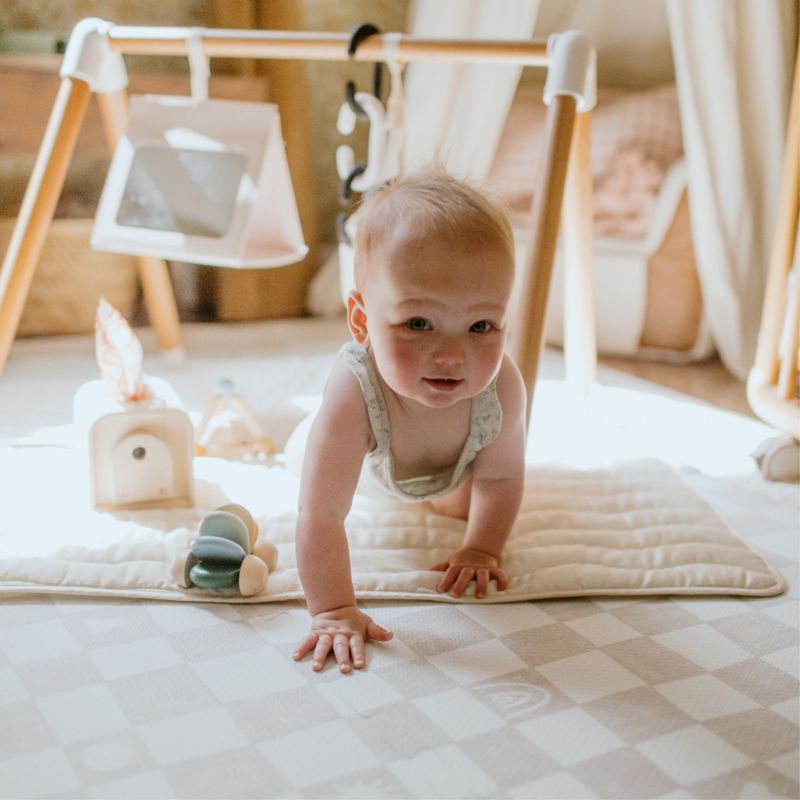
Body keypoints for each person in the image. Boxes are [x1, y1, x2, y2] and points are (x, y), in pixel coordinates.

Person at [293, 171, 527, 673]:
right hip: (371, 464)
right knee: (306, 466)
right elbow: (321, 515)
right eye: (418, 324)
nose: (451, 355)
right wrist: (333, 610)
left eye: (481, 326)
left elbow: (502, 475)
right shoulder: (354, 391)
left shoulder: (502, 386)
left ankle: (445, 498)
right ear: (362, 322)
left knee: (468, 506)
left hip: (446, 468)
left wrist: (483, 549)